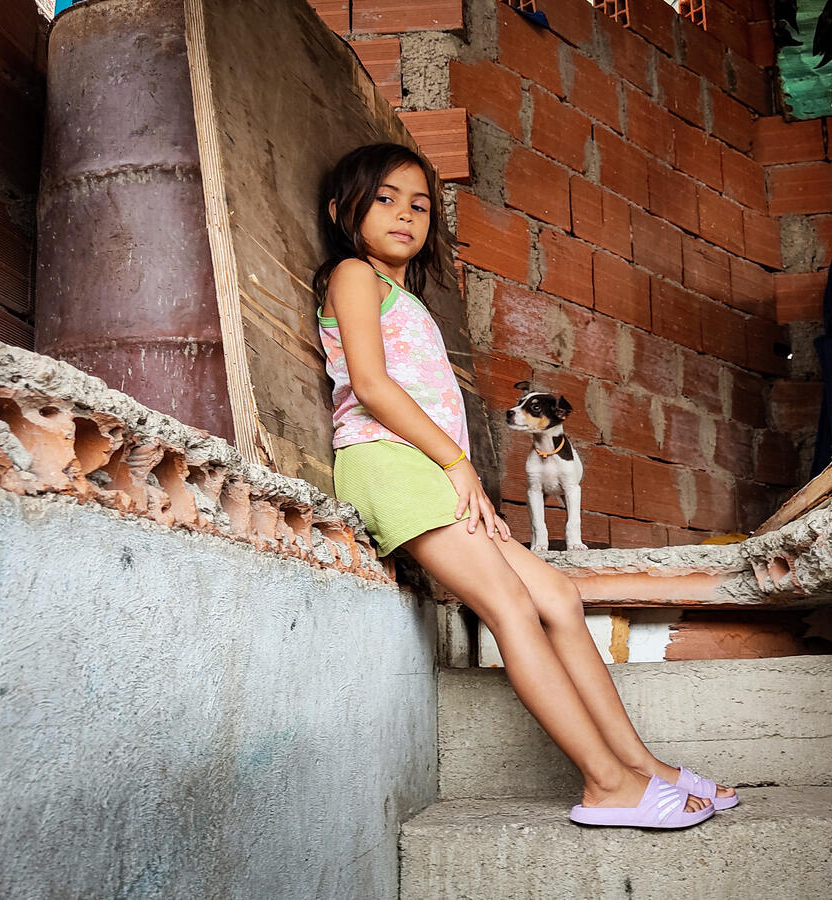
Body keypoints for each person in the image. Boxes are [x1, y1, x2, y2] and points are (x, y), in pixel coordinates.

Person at [314, 143, 738, 828]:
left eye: (419, 205)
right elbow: (370, 385)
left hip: (428, 469)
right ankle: (605, 785)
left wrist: (454, 470)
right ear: (342, 211)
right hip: (388, 463)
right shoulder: (352, 274)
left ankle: (642, 768)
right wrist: (459, 466)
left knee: (557, 596)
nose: (405, 215)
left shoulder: (403, 294)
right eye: (385, 198)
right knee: (512, 605)